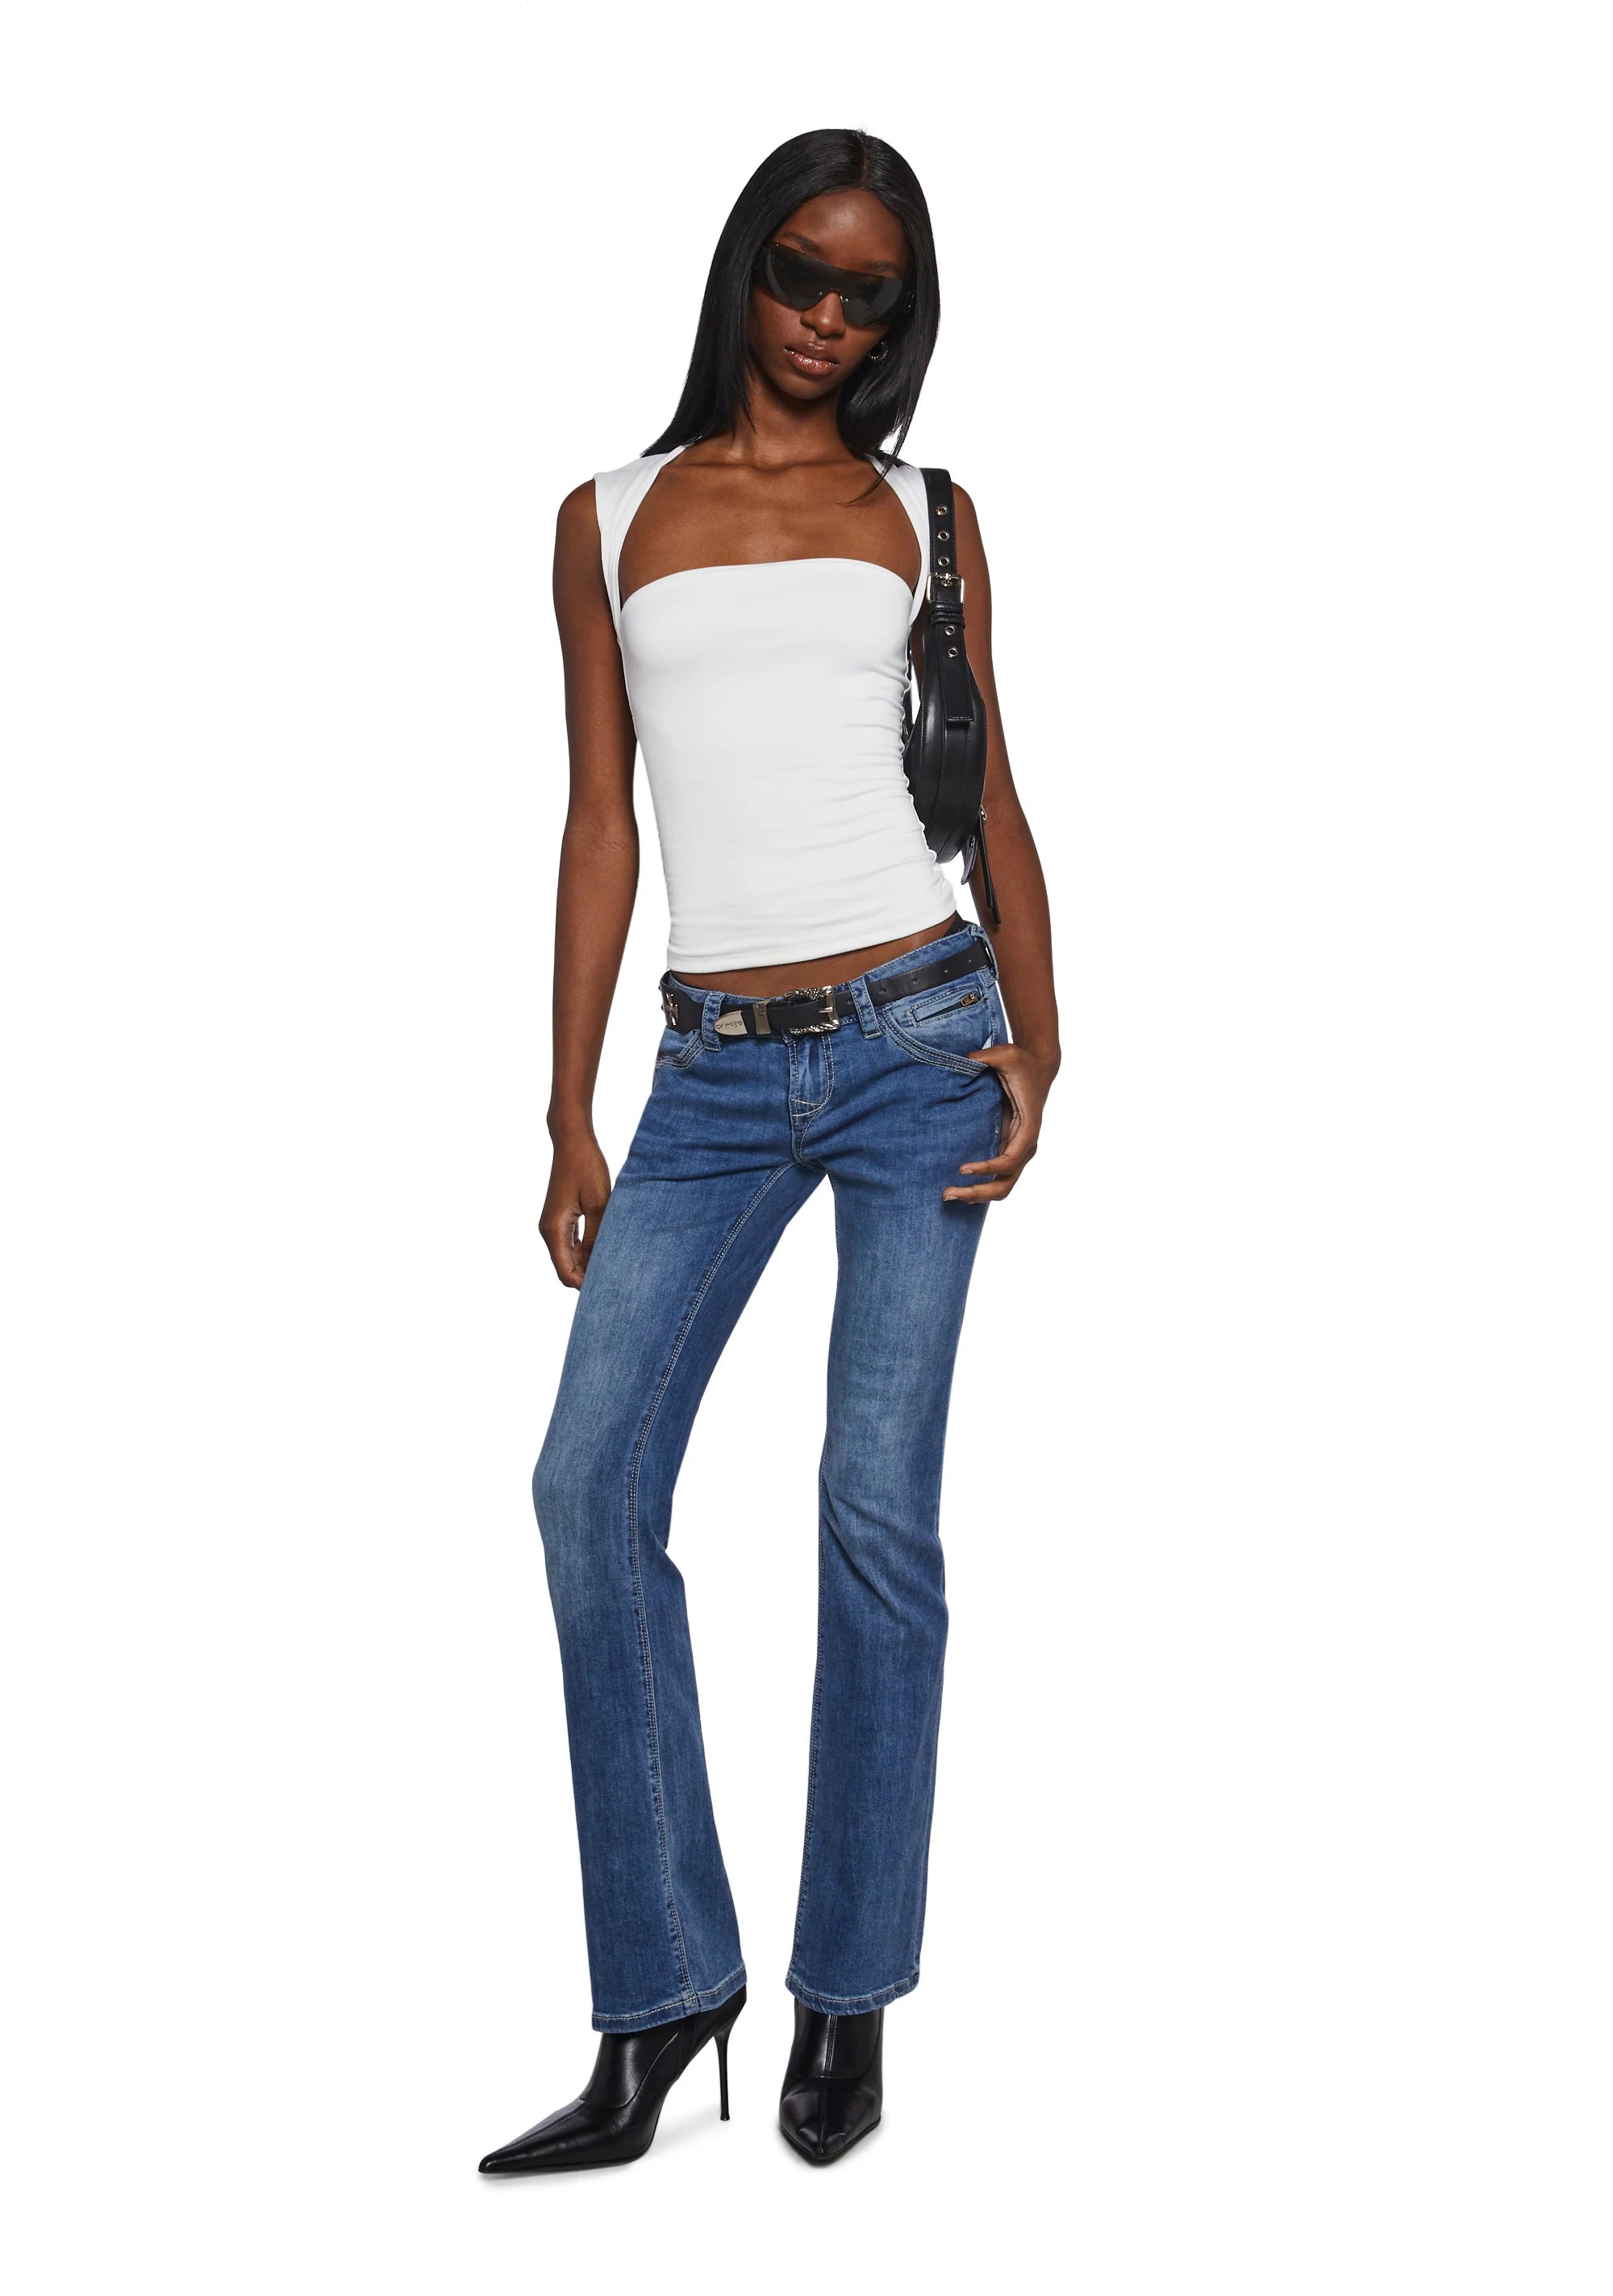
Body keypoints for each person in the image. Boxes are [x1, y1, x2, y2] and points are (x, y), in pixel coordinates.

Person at [478, 127, 1059, 2175]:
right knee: (587, 1486)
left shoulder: (927, 514)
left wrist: (1044, 1034)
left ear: (898, 316)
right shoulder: (608, 515)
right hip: (709, 1072)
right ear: (743, 269)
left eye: (865, 294)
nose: (825, 317)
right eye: (798, 273)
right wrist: (567, 1100)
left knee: (871, 1508)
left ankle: (846, 1994)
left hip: (919, 1036)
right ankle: (663, 1991)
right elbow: (599, 816)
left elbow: (988, 786)